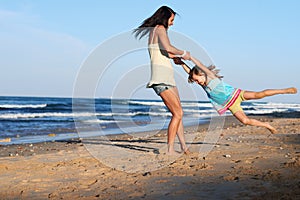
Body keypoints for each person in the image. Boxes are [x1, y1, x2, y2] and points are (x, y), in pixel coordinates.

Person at [173, 56, 297, 134]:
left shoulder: (210, 77)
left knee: (260, 94)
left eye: (197, 79)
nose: (196, 81)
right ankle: (267, 125)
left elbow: (198, 66)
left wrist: (189, 58)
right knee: (245, 121)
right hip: (231, 105)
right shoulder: (203, 85)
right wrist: (181, 64)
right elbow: (190, 72)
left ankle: (285, 90)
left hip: (237, 95)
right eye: (194, 80)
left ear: (202, 74)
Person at [133, 6, 191, 155]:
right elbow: (168, 47)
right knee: (178, 114)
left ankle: (184, 147)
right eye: (171, 20)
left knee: (178, 113)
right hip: (161, 78)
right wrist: (184, 53)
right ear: (165, 18)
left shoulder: (155, 32)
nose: (172, 23)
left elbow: (164, 52)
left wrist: (175, 58)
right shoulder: (159, 29)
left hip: (167, 78)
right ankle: (170, 149)